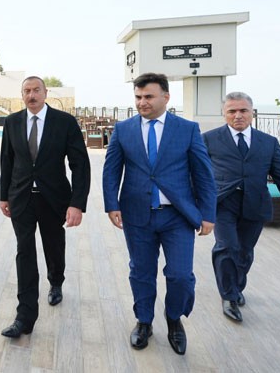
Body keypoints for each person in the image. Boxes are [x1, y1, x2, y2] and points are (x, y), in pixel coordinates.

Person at [102, 72, 216, 355]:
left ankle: (174, 318)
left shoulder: (187, 129)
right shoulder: (123, 129)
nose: (142, 102)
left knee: (180, 275)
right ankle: (144, 321)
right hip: (137, 214)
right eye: (138, 97)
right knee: (141, 271)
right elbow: (111, 170)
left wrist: (208, 214)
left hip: (177, 216)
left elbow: (203, 175)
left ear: (166, 97)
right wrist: (112, 204)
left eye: (149, 97)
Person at [0, 76, 91, 338]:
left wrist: (77, 204)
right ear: (22, 95)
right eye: (26, 91)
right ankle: (24, 317)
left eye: (36, 90)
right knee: (24, 253)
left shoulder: (65, 122)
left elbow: (80, 165)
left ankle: (56, 281)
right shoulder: (12, 122)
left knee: (54, 246)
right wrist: (4, 196)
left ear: (45, 92)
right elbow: (7, 161)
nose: (31, 95)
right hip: (22, 199)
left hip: (53, 199)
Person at [202, 92, 280, 322]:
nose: (238, 115)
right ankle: (228, 296)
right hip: (222, 202)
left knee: (244, 251)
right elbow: (196, 172)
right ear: (224, 114)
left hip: (255, 203)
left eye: (243, 110)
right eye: (232, 111)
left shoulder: (268, 142)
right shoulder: (208, 139)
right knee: (227, 246)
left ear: (252, 113)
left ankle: (236, 286)